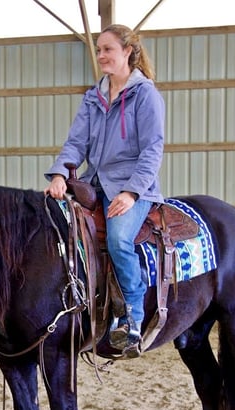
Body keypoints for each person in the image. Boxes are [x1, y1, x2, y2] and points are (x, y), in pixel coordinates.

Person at [44, 24, 165, 355]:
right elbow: (75, 143)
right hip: (95, 182)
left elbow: (152, 150)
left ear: (127, 51)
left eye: (107, 49)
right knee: (58, 226)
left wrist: (131, 193)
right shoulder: (92, 97)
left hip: (133, 186)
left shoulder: (145, 95)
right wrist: (59, 175)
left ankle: (132, 319)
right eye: (98, 50)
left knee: (118, 239)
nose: (101, 56)